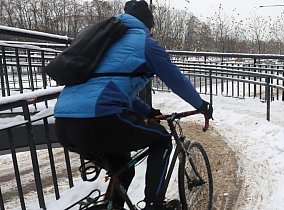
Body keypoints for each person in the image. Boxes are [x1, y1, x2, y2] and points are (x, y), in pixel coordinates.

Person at [53, 0, 213, 209]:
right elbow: (176, 80)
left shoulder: (104, 43)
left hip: (64, 124)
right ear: (148, 24)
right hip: (99, 120)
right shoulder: (145, 43)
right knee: (162, 139)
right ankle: (154, 204)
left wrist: (148, 111)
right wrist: (200, 104)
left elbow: (113, 88)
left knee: (124, 169)